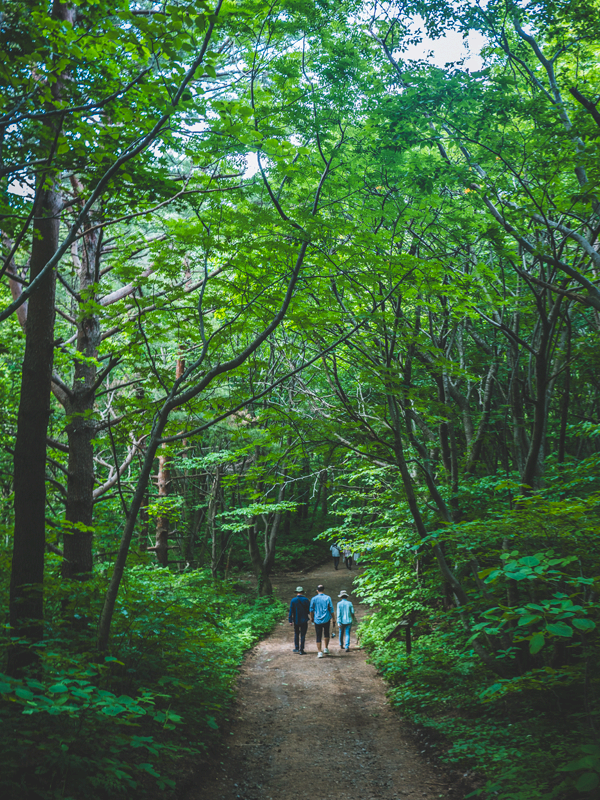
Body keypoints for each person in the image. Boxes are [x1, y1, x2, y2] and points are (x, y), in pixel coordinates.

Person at [309, 584, 335, 658]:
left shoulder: (313, 599)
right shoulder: (328, 598)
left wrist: (312, 617)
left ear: (317, 591)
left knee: (318, 635)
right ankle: (326, 648)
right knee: (326, 633)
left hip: (317, 619)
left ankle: (319, 652)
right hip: (326, 618)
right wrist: (334, 618)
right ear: (324, 590)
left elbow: (311, 610)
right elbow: (331, 609)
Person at [288, 586, 310, 654]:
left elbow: (291, 611)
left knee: (296, 634)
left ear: (296, 592)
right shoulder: (306, 600)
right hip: (304, 620)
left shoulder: (293, 600)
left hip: (296, 620)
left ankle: (296, 648)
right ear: (302, 592)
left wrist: (290, 620)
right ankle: (301, 649)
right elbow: (309, 610)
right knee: (303, 635)